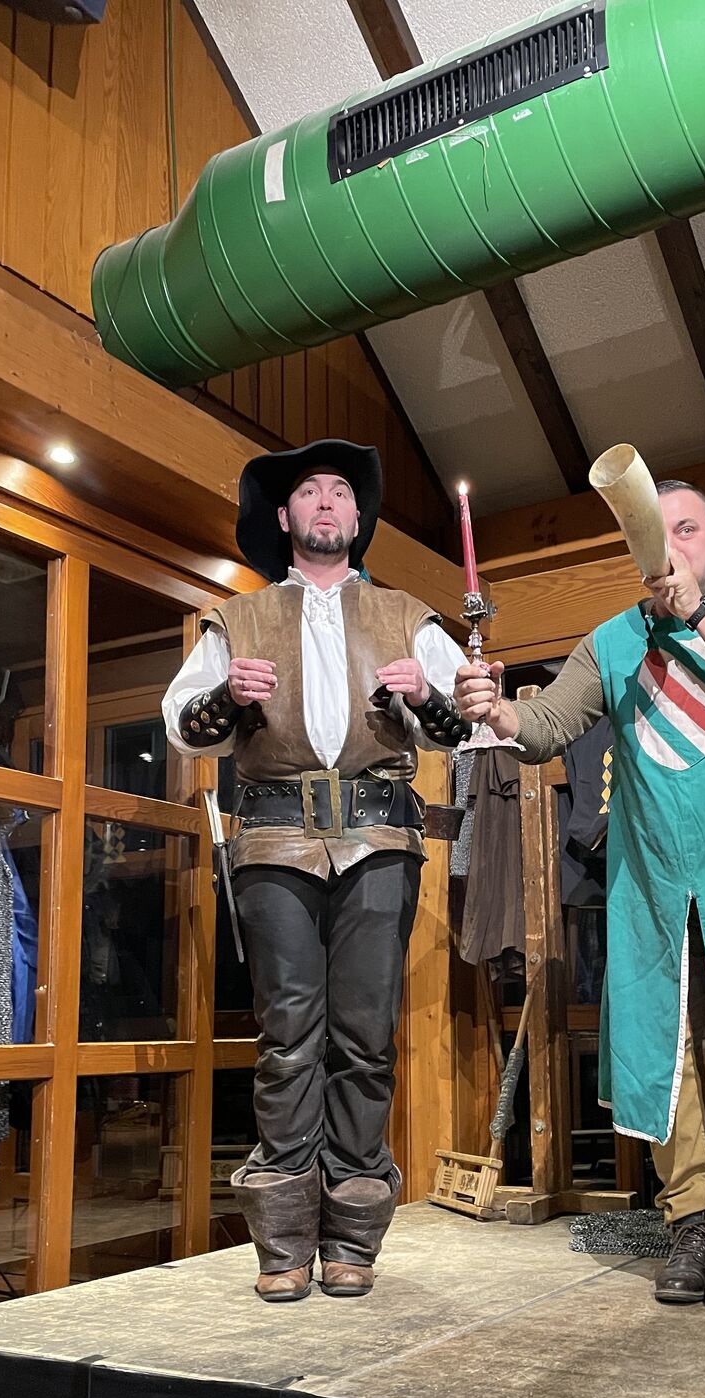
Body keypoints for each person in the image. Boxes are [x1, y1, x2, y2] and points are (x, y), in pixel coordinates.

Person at [455, 480, 705, 1308]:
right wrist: (500, 714)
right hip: (655, 888)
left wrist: (700, 613)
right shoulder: (612, 641)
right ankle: (690, 1219)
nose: (672, 546)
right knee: (672, 1055)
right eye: (655, 533)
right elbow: (549, 725)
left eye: (688, 529)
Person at [164, 440, 469, 1302]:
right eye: (310, 491)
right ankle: (284, 1238)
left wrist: (426, 697)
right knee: (288, 1035)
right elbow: (184, 724)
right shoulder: (240, 619)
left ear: (358, 517)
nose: (328, 502)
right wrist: (228, 697)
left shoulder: (408, 616)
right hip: (274, 838)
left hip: (378, 836)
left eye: (341, 491)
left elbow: (465, 725)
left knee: (365, 1036)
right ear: (284, 515)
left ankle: (355, 1232)